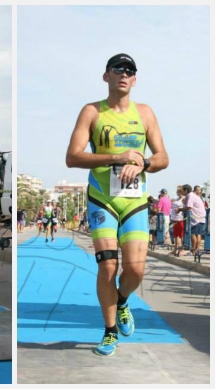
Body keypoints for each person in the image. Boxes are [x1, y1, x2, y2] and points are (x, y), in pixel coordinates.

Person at [65, 54, 168, 356]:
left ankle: (122, 300)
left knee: (135, 270)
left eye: (130, 71)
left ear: (135, 79)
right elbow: (72, 157)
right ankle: (110, 331)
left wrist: (145, 163)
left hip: (134, 202)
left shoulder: (145, 114)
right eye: (118, 70)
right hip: (102, 199)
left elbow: (163, 157)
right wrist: (117, 156)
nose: (124, 74)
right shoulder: (91, 112)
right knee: (108, 265)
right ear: (106, 76)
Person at [179, 184, 206, 256]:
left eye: (182, 191)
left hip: (196, 218)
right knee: (198, 234)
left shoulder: (190, 195)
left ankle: (193, 251)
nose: (182, 192)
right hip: (201, 217)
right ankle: (197, 250)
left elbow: (189, 207)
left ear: (186, 190)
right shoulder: (195, 196)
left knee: (193, 234)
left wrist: (179, 209)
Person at [169, 186, 185, 255]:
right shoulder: (177, 199)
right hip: (175, 218)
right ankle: (176, 248)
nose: (176, 192)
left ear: (180, 192)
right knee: (176, 234)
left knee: (181, 234)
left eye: (177, 191)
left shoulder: (183, 199)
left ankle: (182, 248)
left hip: (180, 218)